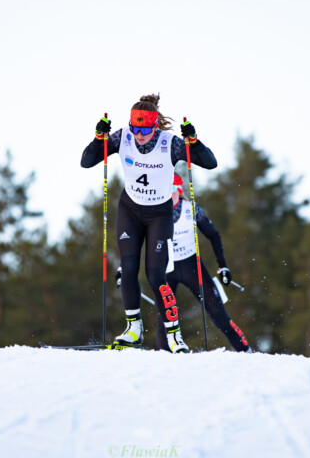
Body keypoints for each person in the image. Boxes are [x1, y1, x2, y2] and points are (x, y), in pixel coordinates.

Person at [81, 94, 217, 352]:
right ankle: (133, 329)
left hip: (159, 215)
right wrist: (99, 138)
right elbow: (87, 161)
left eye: (145, 129)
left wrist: (194, 141)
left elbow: (210, 163)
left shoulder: (171, 144)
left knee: (156, 275)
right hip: (130, 211)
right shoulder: (123, 138)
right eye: (135, 128)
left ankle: (174, 336)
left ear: (155, 126)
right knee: (129, 268)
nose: (139, 134)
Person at [154, 173, 250, 352]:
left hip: (191, 266)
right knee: (165, 315)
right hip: (167, 268)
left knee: (218, 312)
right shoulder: (154, 212)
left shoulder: (191, 209)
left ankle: (245, 349)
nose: (168, 195)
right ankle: (164, 356)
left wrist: (223, 266)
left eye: (171, 190)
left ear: (179, 190)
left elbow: (213, 235)